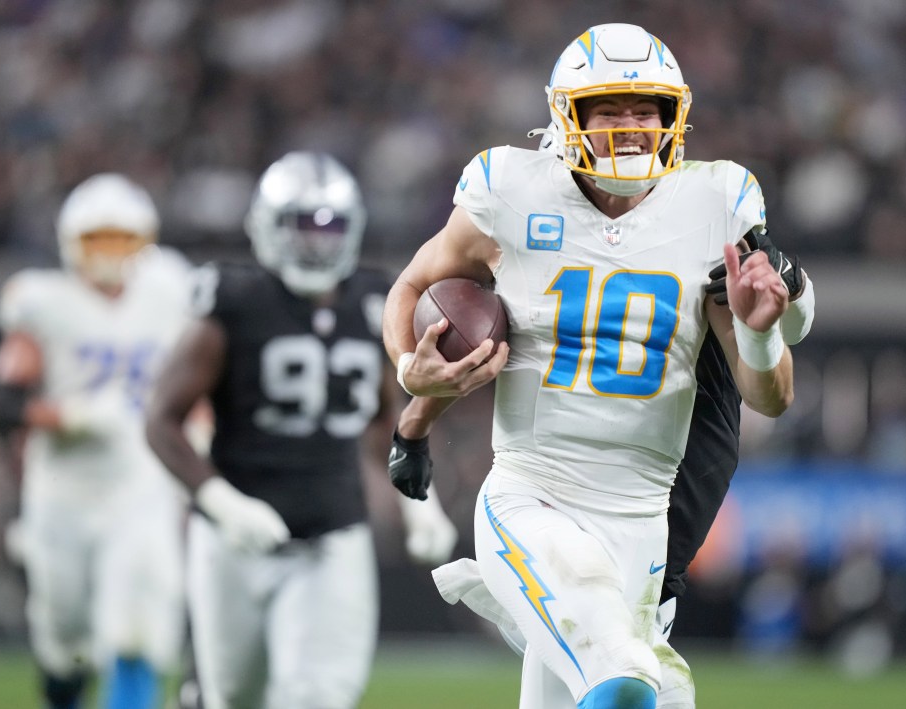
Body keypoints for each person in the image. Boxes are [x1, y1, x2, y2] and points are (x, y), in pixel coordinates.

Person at [381, 23, 796, 709]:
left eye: (646, 109)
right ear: (568, 115)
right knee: (626, 681)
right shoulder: (510, 191)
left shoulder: (713, 203)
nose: (631, 126)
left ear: (673, 117)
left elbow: (771, 397)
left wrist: (758, 335)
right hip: (533, 496)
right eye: (609, 108)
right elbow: (410, 286)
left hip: (642, 526)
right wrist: (410, 373)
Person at [392, 230, 815, 709]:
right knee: (621, 675)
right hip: (555, 507)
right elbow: (468, 341)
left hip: (652, 560)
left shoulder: (706, 216)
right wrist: (415, 418)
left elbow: (786, 340)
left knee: (638, 677)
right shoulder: (536, 222)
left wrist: (792, 285)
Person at [144, 151, 458, 709]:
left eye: (331, 226)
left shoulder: (371, 302)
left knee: (317, 696)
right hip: (232, 541)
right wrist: (221, 502)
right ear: (267, 228)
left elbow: (382, 419)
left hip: (331, 534)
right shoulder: (234, 302)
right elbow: (161, 420)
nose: (317, 243)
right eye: (302, 227)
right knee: (231, 698)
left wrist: (418, 503)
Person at [0, 173, 195, 709]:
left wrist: (201, 431)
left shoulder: (169, 289)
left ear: (144, 241)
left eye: (121, 240)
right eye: (97, 240)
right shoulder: (44, 301)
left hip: (140, 480)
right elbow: (3, 406)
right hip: (64, 490)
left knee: (139, 619)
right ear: (70, 244)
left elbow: (202, 371)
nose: (109, 255)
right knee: (65, 638)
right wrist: (70, 415)